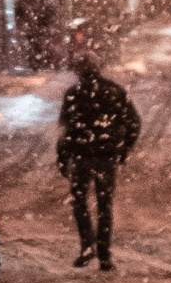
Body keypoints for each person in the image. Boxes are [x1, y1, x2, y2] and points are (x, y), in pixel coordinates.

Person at [57, 53, 141, 269]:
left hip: (82, 155)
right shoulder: (114, 91)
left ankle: (87, 246)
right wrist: (123, 147)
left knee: (80, 202)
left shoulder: (74, 94)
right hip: (105, 155)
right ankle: (104, 253)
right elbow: (133, 122)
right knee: (104, 205)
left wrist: (63, 156)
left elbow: (68, 130)